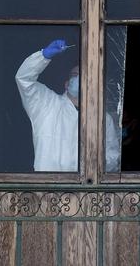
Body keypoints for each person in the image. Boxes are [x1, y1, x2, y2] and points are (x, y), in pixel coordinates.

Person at [16, 40, 120, 172]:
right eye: (76, 76)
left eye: (86, 77)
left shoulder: (103, 119)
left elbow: (112, 156)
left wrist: (94, 162)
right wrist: (43, 56)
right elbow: (24, 79)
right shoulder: (46, 104)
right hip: (48, 188)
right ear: (66, 84)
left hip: (85, 191)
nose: (81, 80)